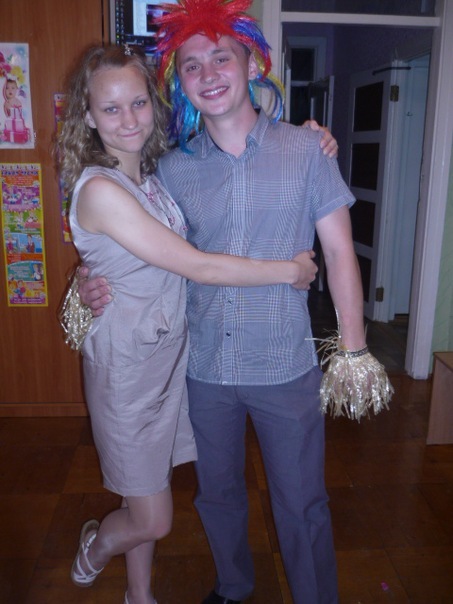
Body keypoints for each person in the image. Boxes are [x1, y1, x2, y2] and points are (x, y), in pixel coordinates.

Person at [55, 44, 320, 604]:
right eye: (110, 109)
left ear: (154, 104)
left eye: (137, 103)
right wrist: (290, 270)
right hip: (128, 371)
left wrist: (310, 136)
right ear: (88, 116)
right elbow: (198, 265)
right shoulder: (101, 188)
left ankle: (139, 594)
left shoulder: (152, 176)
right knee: (153, 517)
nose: (128, 119)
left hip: (172, 358)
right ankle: (96, 548)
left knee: (142, 488)